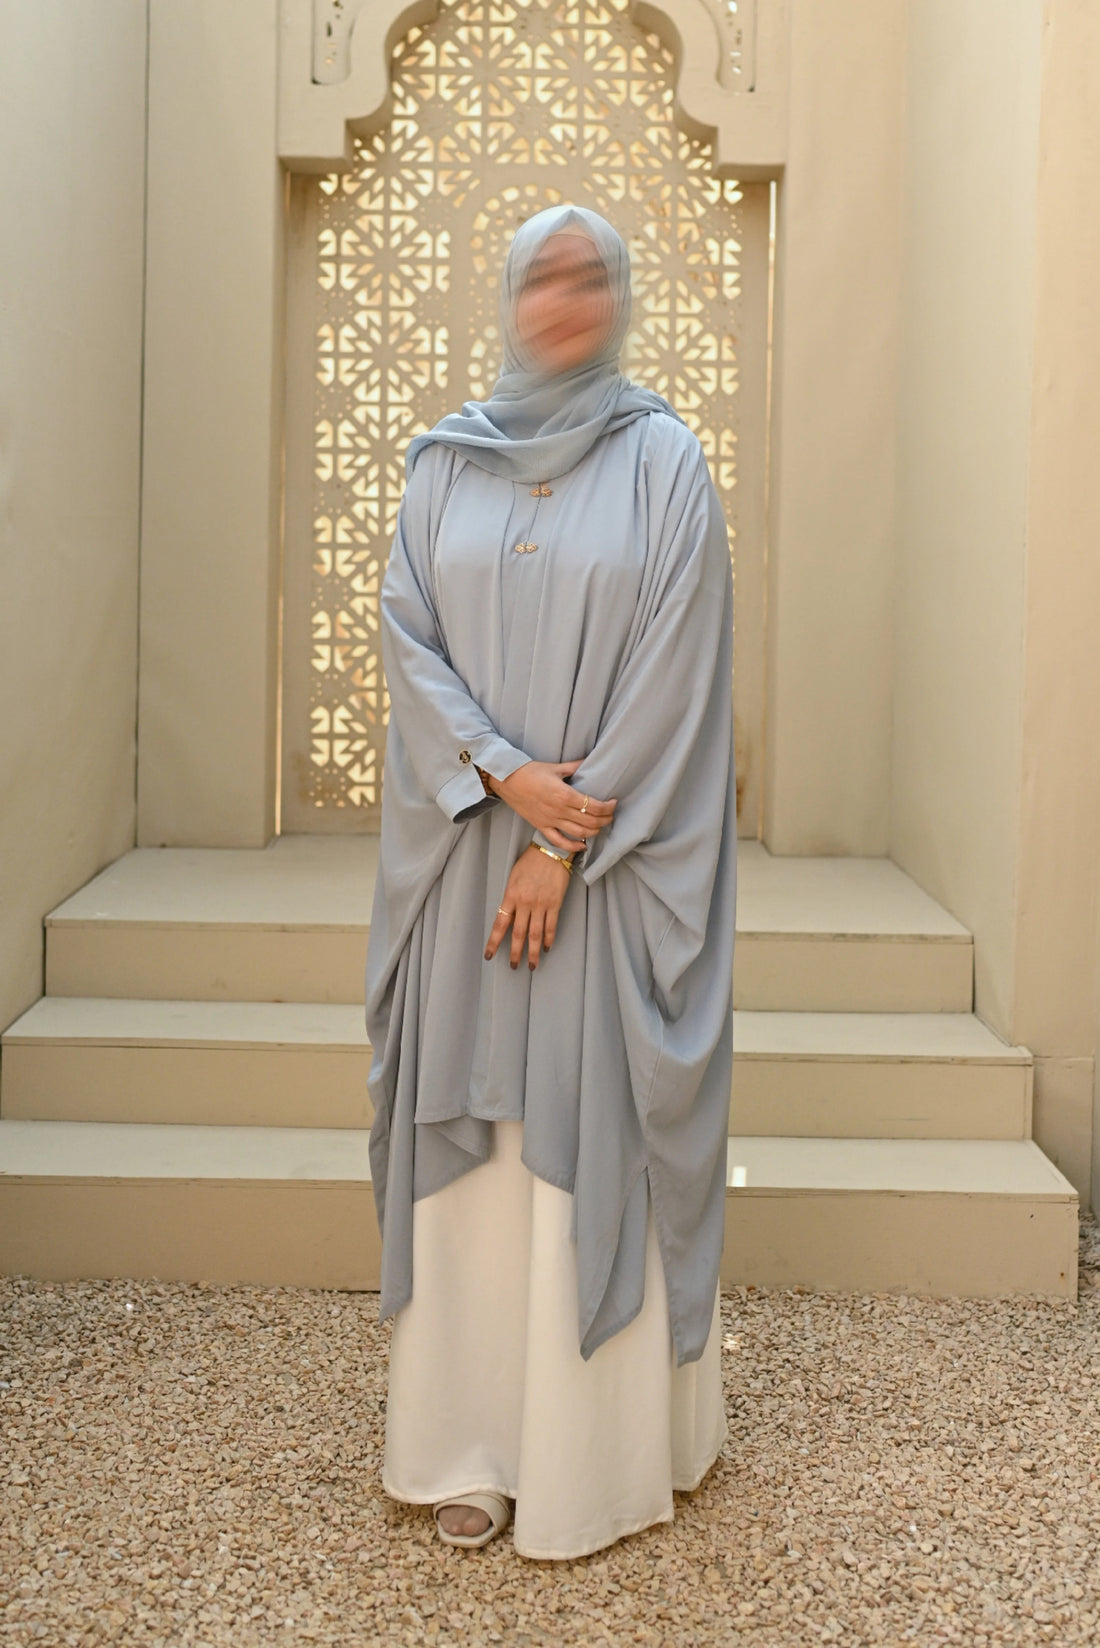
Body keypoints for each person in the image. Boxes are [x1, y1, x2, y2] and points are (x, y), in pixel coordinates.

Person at [363, 202, 738, 1559]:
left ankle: (593, 1460)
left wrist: (560, 837)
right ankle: (466, 1445)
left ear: (619, 297)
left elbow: (676, 673)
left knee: (587, 1130)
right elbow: (408, 638)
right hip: (464, 849)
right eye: (543, 277)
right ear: (512, 297)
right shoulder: (444, 464)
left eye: (591, 278)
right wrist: (505, 776)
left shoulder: (666, 463)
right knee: (475, 1145)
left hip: (607, 861)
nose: (567, 299)